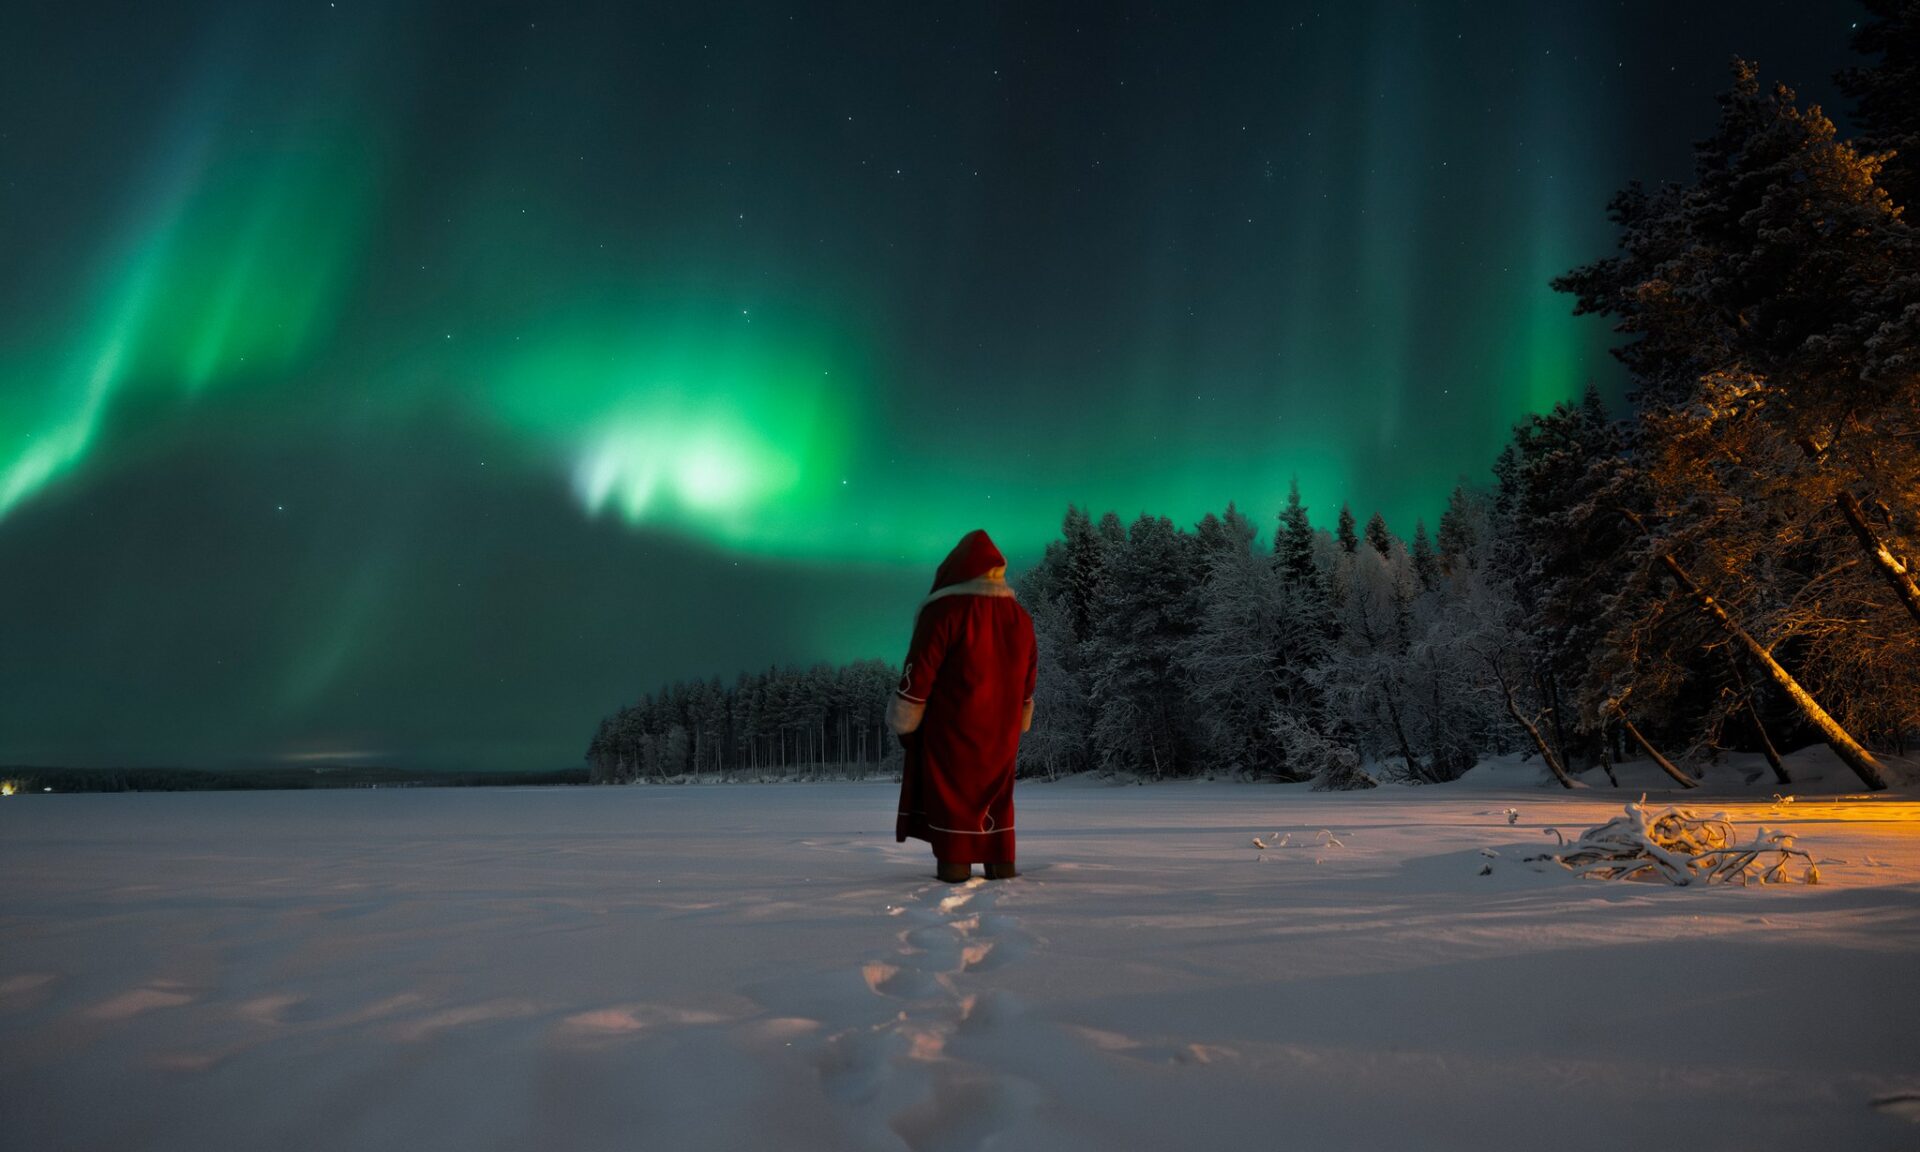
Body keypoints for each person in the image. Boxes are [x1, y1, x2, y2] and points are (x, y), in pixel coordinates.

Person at [889, 529, 1037, 883]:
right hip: (1001, 730)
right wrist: (1022, 710)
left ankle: (955, 866)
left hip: (953, 725)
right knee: (996, 795)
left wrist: (906, 712)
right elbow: (1029, 673)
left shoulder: (945, 610)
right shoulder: (1018, 617)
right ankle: (1000, 862)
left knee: (953, 793)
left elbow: (921, 666)